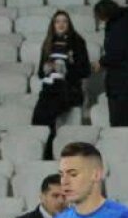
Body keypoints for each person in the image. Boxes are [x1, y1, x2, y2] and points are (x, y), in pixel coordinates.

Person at [31, 10, 91, 143]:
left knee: (47, 116)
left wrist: (66, 69)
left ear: (69, 24)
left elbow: (85, 71)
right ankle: (45, 153)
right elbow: (40, 73)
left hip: (68, 89)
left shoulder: (78, 42)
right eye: (57, 21)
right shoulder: (48, 43)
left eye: (64, 21)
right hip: (48, 89)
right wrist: (46, 69)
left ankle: (51, 151)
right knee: (37, 120)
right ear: (53, 25)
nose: (61, 24)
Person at [92, 0, 128, 127]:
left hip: (123, 82)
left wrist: (101, 62)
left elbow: (118, 52)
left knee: (120, 122)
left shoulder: (119, 26)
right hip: (121, 81)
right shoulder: (122, 23)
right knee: (119, 121)